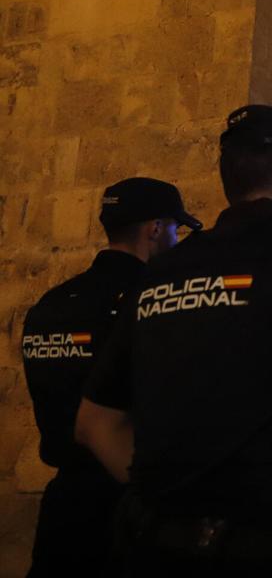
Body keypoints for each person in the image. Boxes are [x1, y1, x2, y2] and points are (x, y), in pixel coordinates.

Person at [76, 105, 272, 578]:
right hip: (267, 548)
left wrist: (165, 494)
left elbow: (95, 423)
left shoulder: (162, 269)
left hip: (152, 546)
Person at [22, 178, 201, 577]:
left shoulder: (49, 305)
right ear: (156, 228)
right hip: (128, 511)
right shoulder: (153, 301)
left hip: (64, 509)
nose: (176, 239)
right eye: (176, 229)